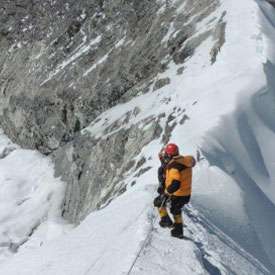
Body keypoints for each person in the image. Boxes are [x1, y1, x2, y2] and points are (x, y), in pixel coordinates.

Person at [154, 143, 196, 239]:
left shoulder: (174, 167)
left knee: (158, 202)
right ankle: (178, 230)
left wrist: (166, 193)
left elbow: (175, 184)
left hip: (178, 193)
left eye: (166, 155)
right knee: (175, 209)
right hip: (186, 193)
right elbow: (192, 160)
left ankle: (167, 221)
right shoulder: (184, 160)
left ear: (169, 155)